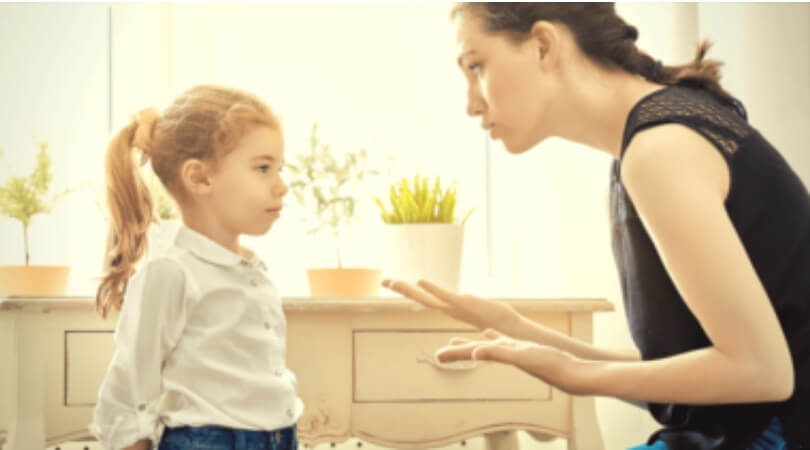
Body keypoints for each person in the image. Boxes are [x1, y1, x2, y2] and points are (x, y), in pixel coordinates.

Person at [382, 3, 810, 449]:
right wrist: (519, 328)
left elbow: (763, 374)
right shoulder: (647, 141)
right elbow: (697, 381)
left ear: (544, 44)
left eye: (476, 66)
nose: (471, 103)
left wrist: (578, 375)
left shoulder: (659, 150)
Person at [90, 85, 302, 450]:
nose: (281, 186)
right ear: (200, 178)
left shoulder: (253, 272)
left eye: (280, 169)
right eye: (263, 168)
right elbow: (127, 390)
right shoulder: (170, 272)